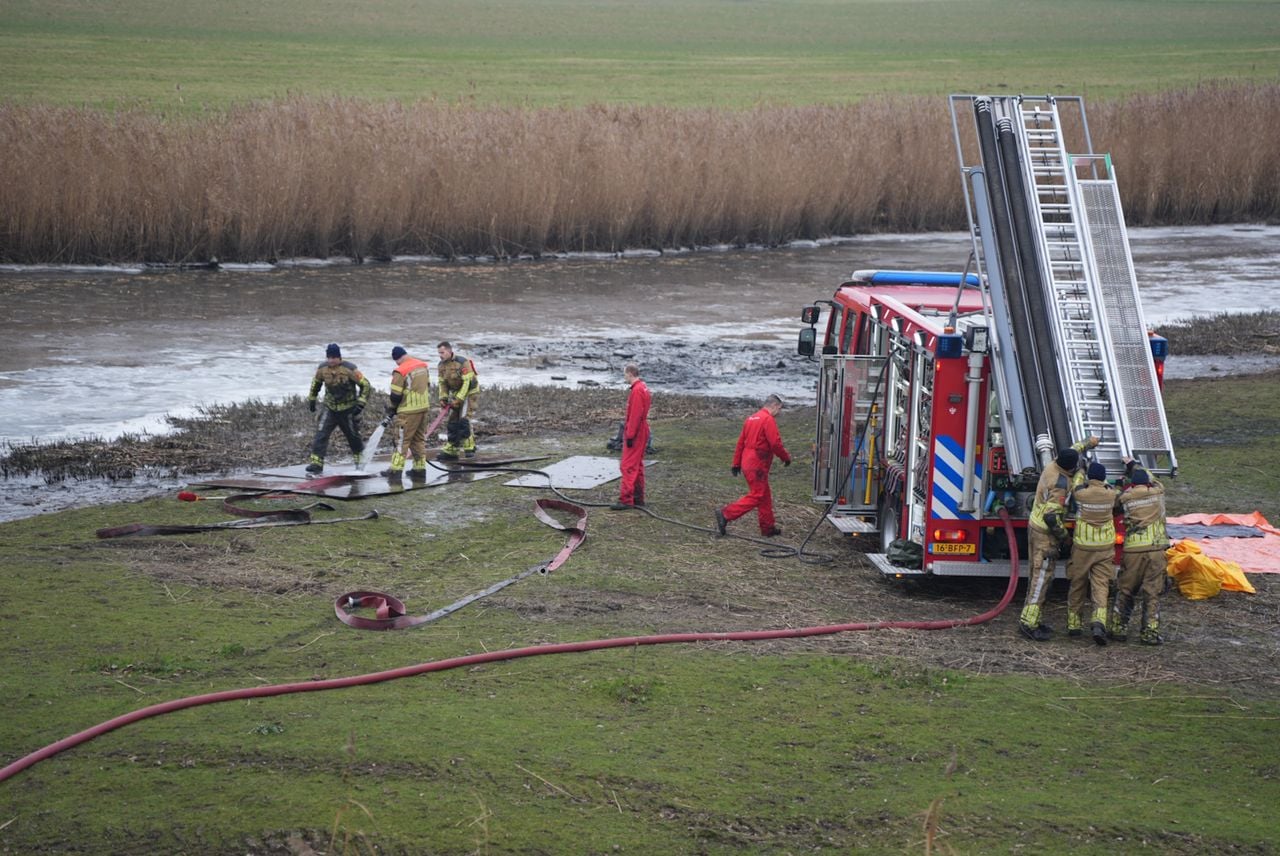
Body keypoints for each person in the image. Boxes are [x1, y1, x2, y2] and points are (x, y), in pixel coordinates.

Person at [1016, 435, 1099, 641]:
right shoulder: (1060, 484)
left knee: (1035, 574)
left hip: (1034, 527)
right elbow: (1051, 517)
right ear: (1070, 467)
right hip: (1045, 534)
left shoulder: (1053, 464)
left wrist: (1088, 443)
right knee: (1042, 578)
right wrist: (1065, 538)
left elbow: (1073, 449)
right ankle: (1029, 623)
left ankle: (1030, 616)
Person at [1109, 465, 1170, 644]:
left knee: (1126, 589)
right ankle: (1150, 633)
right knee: (1152, 592)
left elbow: (1113, 507)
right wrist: (1133, 464)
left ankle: (1118, 628)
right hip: (1156, 549)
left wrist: (1120, 486)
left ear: (1133, 484)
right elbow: (1154, 479)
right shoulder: (1158, 493)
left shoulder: (1126, 497)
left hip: (1133, 550)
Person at [716, 394, 791, 537]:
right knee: (757, 495)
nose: (779, 412)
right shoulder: (768, 419)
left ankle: (767, 528)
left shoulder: (751, 418)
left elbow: (740, 443)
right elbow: (775, 443)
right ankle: (726, 514)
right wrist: (785, 457)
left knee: (764, 495)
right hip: (757, 463)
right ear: (774, 405)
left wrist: (736, 463)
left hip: (747, 461)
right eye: (779, 409)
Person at [1065, 462, 1118, 645]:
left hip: (1083, 547)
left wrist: (1080, 470)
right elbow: (1114, 489)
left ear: (1090, 478)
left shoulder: (1081, 494)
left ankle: (1074, 625)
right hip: (1104, 547)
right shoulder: (1111, 494)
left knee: (1077, 583)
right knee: (1101, 586)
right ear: (1103, 478)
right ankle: (1099, 622)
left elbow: (1076, 485)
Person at [305, 343, 371, 474]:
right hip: (330, 408)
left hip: (348, 409)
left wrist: (361, 404)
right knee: (321, 434)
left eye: (334, 357)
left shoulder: (350, 369)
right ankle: (316, 464)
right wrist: (312, 399)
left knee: (353, 437)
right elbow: (316, 384)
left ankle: (360, 463)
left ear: (339, 358)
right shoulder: (322, 369)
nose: (331, 360)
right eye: (329, 357)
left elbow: (366, 385)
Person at [381, 346, 432, 480]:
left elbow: (396, 395)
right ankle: (419, 469)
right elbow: (428, 385)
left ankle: (395, 471)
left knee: (401, 441)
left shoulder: (400, 371)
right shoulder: (422, 365)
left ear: (398, 358)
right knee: (418, 440)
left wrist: (392, 408)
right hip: (424, 408)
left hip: (408, 412)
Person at [611, 364, 651, 510]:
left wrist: (629, 435)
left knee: (627, 465)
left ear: (630, 374)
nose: (624, 377)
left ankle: (626, 500)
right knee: (637, 465)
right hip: (642, 430)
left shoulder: (637, 391)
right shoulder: (643, 388)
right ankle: (638, 497)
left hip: (637, 431)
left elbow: (635, 415)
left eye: (625, 374)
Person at [435, 341, 480, 461]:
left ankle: (469, 447)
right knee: (453, 421)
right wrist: (443, 398)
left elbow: (467, 383)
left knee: (464, 420)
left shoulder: (462, 362)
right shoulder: (441, 366)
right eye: (439, 353)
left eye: (442, 352)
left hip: (469, 393)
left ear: (449, 351)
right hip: (456, 395)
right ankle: (452, 449)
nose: (440, 355)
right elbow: (442, 383)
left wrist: (459, 399)